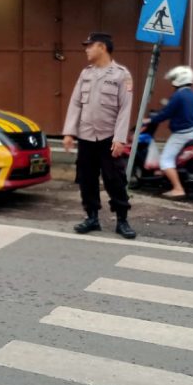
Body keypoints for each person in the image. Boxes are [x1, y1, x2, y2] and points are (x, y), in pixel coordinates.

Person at [62, 32, 136, 239]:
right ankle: (92, 217)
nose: (86, 49)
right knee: (86, 179)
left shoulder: (121, 75)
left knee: (115, 180)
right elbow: (76, 102)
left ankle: (122, 220)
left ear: (102, 47)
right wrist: (69, 132)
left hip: (109, 138)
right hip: (86, 136)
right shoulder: (85, 73)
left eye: (90, 45)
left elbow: (125, 108)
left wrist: (120, 138)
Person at [146, 65, 193, 199]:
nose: (172, 82)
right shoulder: (191, 94)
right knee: (174, 157)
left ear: (179, 79)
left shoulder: (178, 95)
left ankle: (178, 189)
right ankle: (169, 177)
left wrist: (151, 119)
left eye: (174, 79)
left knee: (165, 160)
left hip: (181, 134)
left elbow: (166, 113)